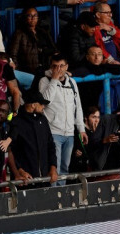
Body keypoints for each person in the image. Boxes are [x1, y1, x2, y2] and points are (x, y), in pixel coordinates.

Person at [39, 53, 87, 185]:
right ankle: (54, 195)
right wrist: (54, 80)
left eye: (61, 66)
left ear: (66, 67)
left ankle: (62, 195)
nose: (58, 69)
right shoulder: (45, 81)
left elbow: (78, 107)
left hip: (70, 133)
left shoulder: (72, 82)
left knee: (65, 168)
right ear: (51, 67)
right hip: (53, 131)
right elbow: (45, 101)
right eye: (55, 66)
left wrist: (81, 129)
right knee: (54, 168)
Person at [10, 90, 58, 185]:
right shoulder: (16, 122)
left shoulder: (43, 120)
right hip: (25, 181)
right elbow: (11, 151)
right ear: (33, 105)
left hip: (45, 178)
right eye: (41, 104)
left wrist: (53, 167)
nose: (43, 107)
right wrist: (20, 171)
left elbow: (51, 145)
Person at [8, 7, 58, 75]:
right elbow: (13, 54)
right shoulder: (19, 33)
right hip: (28, 71)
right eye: (29, 15)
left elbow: (54, 50)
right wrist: (18, 72)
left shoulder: (43, 32)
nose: (33, 18)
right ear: (25, 18)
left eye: (35, 15)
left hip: (46, 68)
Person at [93, 2, 120, 69]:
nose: (110, 15)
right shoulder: (93, 28)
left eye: (110, 12)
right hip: (105, 61)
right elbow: (99, 49)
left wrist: (110, 29)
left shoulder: (109, 24)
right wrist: (111, 60)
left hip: (116, 58)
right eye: (107, 13)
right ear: (98, 14)